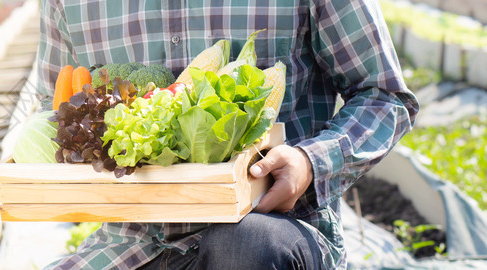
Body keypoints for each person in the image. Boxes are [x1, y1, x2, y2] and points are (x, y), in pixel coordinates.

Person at [35, 0, 420, 269]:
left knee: (244, 246)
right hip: (132, 244)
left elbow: (384, 95)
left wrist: (310, 163)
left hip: (272, 232)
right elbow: (54, 115)